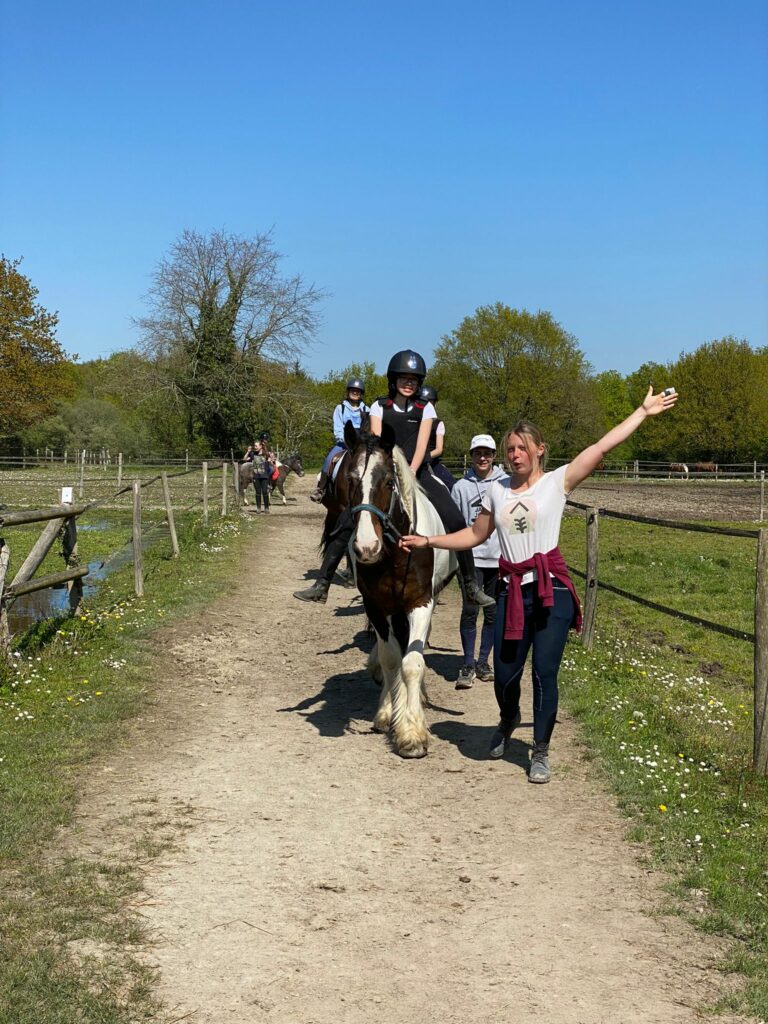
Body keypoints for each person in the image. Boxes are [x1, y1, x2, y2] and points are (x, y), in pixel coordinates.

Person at [399, 387, 679, 783]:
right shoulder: (496, 491)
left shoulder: (557, 482)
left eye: (521, 448)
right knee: (504, 673)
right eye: (509, 448)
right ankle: (508, 717)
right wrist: (427, 541)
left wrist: (642, 412)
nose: (514, 454)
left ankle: (540, 749)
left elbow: (602, 446)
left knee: (545, 674)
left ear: (539, 450)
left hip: (551, 592)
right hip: (511, 591)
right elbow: (475, 534)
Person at [293, 349, 494, 608]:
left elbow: (422, 444)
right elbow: (376, 443)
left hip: (418, 472)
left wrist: (410, 471)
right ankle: (322, 583)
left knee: (454, 517)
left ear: (419, 382)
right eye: (403, 378)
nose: (408, 383)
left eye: (413, 379)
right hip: (385, 472)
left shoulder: (426, 408)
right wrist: (387, 472)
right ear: (393, 380)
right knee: (344, 520)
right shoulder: (379, 406)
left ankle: (470, 585)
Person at [451, 434, 508, 689]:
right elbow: (455, 523)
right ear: (471, 456)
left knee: (494, 613)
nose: (482, 458)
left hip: (498, 558)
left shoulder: (505, 484)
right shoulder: (460, 487)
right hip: (471, 558)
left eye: (487, 453)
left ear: (494, 456)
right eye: (477, 453)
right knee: (470, 611)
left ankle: (484, 661)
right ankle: (467, 663)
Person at [310, 378, 370, 503]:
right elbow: (338, 428)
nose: (355, 393)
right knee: (329, 459)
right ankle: (321, 489)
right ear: (348, 392)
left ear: (361, 394)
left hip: (362, 444)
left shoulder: (367, 410)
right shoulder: (340, 408)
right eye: (353, 391)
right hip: (345, 443)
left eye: (358, 391)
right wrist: (346, 440)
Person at [419, 384, 455, 492]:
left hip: (431, 463)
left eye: (431, 402)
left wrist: (424, 457)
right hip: (411, 463)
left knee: (453, 487)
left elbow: (439, 449)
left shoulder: (438, 423)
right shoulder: (413, 422)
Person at [243, 434, 274, 513]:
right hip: (256, 476)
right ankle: (258, 508)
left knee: (264, 492)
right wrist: (248, 452)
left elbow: (272, 459)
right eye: (254, 446)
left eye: (256, 446)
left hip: (264, 476)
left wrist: (270, 460)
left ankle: (266, 508)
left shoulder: (265, 454)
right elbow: (245, 459)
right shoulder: (253, 454)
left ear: (260, 446)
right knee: (257, 492)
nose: (255, 447)